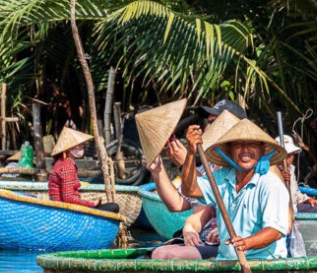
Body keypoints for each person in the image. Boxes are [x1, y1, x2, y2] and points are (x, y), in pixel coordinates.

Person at [141, 101, 246, 260]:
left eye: (213, 122)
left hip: (234, 244)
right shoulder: (208, 166)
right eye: (208, 123)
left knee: (164, 254)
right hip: (203, 240)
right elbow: (178, 204)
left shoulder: (244, 169)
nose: (206, 128)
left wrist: (185, 163)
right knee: (154, 254)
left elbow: (211, 194)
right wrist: (158, 170)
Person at [181, 119, 290, 260]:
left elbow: (275, 231)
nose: (245, 150)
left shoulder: (270, 183)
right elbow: (190, 190)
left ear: (262, 150)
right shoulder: (221, 178)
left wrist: (246, 244)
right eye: (238, 145)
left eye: (252, 144)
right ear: (229, 151)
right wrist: (190, 153)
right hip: (227, 260)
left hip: (264, 261)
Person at [48, 126, 120, 213]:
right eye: (80, 145)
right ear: (70, 148)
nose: (83, 147)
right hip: (66, 211)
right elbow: (68, 197)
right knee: (113, 207)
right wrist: (92, 204)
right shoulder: (67, 165)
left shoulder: (60, 162)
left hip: (63, 207)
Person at [281, 134, 317, 213]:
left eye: (292, 154)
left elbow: (295, 191)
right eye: (288, 154)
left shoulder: (290, 169)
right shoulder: (271, 172)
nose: (292, 157)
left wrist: (307, 199)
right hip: (282, 212)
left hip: (293, 207)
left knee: (314, 208)